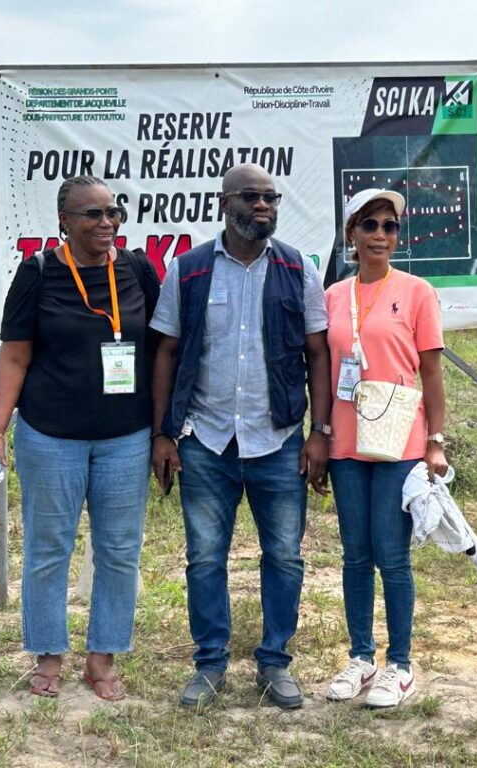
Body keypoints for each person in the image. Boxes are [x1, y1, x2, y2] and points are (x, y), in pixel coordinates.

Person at [149, 163, 331, 710]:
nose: (263, 206)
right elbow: (167, 352)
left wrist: (319, 432)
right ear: (224, 203)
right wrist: (163, 434)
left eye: (271, 197)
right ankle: (210, 665)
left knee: (285, 557)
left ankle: (274, 663)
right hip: (206, 442)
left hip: (278, 440)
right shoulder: (189, 271)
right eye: (251, 197)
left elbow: (318, 354)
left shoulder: (298, 270)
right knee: (205, 558)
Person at [0, 176, 161, 701]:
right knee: (48, 548)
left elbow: (161, 349)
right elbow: (15, 356)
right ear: (64, 220)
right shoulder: (38, 273)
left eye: (113, 212)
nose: (106, 223)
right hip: (50, 436)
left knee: (119, 550)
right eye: (93, 214)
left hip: (125, 438)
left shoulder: (138, 270)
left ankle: (103, 658)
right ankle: (48, 655)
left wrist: (163, 428)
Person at [323, 188, 448, 708]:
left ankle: (400, 664)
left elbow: (432, 372)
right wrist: (319, 432)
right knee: (356, 555)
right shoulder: (333, 295)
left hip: (400, 442)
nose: (380, 235)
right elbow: (322, 369)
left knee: (391, 556)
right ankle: (361, 658)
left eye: (389, 226)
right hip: (345, 443)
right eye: (369, 225)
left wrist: (435, 442)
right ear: (351, 233)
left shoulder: (417, 292)